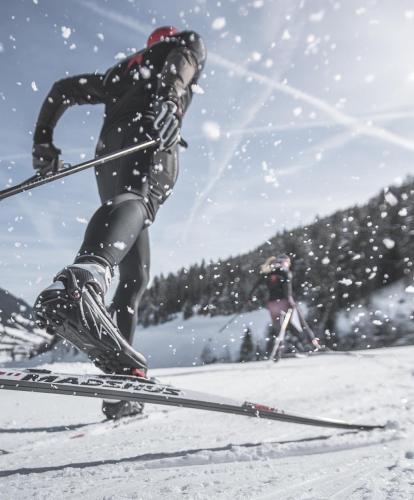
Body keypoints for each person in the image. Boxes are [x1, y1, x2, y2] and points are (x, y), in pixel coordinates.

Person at [32, 26, 206, 419]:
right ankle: (85, 279)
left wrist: (43, 141)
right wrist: (170, 103)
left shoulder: (120, 73)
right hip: (151, 136)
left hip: (109, 154)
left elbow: (61, 89)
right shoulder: (181, 48)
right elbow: (182, 64)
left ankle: (121, 383)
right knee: (138, 205)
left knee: (134, 277)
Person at [250, 254, 320, 359]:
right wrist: (290, 301)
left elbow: (257, 285)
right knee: (300, 323)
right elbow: (287, 288)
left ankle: (278, 351)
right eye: (288, 262)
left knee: (280, 330)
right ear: (285, 262)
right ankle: (312, 344)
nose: (289, 265)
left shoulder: (269, 272)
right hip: (284, 302)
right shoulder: (285, 272)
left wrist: (250, 298)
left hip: (272, 304)